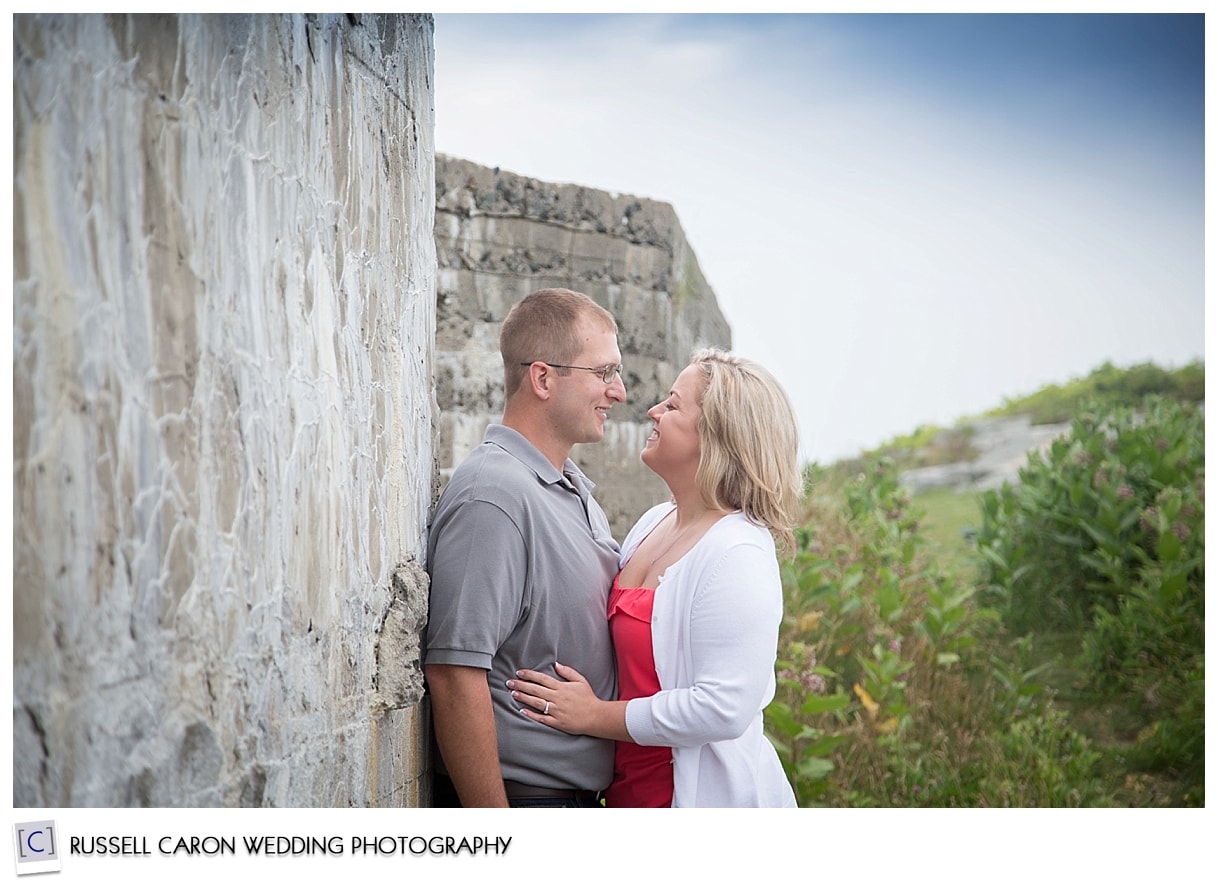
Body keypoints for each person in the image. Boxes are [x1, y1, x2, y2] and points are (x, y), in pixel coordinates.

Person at [508, 348, 801, 807]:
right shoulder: (654, 522)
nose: (653, 411)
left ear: (715, 434)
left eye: (673, 404)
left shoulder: (738, 552)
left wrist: (594, 716)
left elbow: (721, 709)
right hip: (630, 790)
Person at [423, 287, 627, 808]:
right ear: (543, 378)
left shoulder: (572, 490)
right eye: (603, 373)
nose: (619, 391)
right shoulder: (494, 494)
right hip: (528, 803)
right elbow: (452, 674)